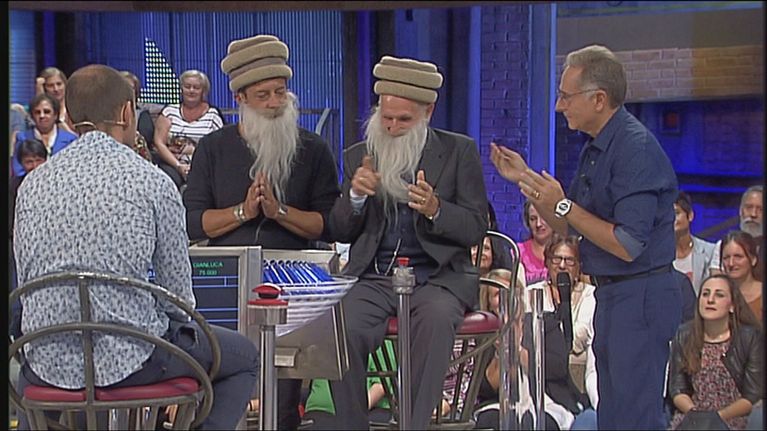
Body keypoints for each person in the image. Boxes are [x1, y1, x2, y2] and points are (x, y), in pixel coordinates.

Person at [13, 64, 259, 430]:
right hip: (132, 361)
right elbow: (179, 299)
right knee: (244, 357)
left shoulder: (31, 186)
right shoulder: (153, 182)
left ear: (68, 118)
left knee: (36, 378)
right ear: (128, 112)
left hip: (45, 362)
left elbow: (27, 282)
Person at [490, 44, 681, 429]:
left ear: (599, 99)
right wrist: (525, 178)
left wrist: (563, 205)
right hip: (611, 295)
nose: (559, 106)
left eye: (566, 96)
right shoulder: (596, 147)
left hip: (640, 295)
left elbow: (627, 244)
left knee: (635, 418)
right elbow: (570, 224)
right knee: (612, 416)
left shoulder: (636, 149)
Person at [184, 34, 341, 430]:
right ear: (239, 98)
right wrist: (244, 212)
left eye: (280, 92)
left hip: (292, 281)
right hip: (226, 280)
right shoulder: (213, 149)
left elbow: (328, 223)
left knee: (283, 397)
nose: (274, 103)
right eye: (263, 95)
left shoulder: (313, 149)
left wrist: (279, 212)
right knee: (223, 393)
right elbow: (193, 221)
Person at [326, 55, 488, 430]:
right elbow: (339, 231)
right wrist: (355, 197)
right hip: (375, 277)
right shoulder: (359, 156)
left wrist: (436, 209)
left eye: (404, 120)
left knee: (436, 320)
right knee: (340, 324)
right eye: (387, 118)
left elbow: (476, 227)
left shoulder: (459, 152)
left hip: (437, 278)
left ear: (428, 112)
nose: (393, 128)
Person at [667, 274, 764, 430]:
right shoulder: (684, 335)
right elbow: (678, 388)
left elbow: (752, 395)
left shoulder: (749, 337)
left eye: (719, 295)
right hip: (692, 416)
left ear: (732, 305)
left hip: (733, 417)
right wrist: (697, 416)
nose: (710, 300)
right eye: (705, 294)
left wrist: (716, 417)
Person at [527, 234, 597, 394]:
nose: (562, 265)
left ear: (579, 266)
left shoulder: (591, 295)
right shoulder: (531, 293)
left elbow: (580, 337)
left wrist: (551, 341)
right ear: (547, 262)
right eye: (556, 259)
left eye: (570, 260)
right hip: (540, 365)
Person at [154, 69, 224, 188]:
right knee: (169, 181)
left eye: (196, 88)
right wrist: (178, 166)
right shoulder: (169, 112)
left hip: (203, 166)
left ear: (203, 91)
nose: (191, 90)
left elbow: (219, 147)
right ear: (181, 89)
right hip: (172, 165)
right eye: (187, 87)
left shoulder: (213, 115)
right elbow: (159, 143)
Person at [12, 93, 77, 177]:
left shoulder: (71, 139)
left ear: (55, 115)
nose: (42, 116)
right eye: (37, 112)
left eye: (47, 112)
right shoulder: (22, 138)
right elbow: (18, 170)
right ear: (32, 116)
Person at [710, 185, 763, 278]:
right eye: (749, 207)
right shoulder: (724, 245)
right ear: (740, 211)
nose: (753, 214)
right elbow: (717, 281)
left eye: (761, 209)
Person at [673, 191, 718, 295]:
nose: (672, 219)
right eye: (667, 215)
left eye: (676, 213)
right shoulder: (659, 255)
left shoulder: (710, 251)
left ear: (690, 215)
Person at [720, 231, 763, 323]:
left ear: (753, 260)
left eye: (738, 257)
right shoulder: (717, 295)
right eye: (726, 258)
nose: (731, 263)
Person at [119, 70, 154, 161]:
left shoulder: (142, 114)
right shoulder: (105, 113)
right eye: (122, 87)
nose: (126, 91)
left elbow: (147, 137)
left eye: (130, 88)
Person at [519, 200, 554, 285]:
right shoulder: (518, 252)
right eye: (533, 219)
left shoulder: (566, 251)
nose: (538, 224)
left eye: (543, 217)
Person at [35, 67, 76, 134]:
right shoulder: (38, 113)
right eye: (50, 85)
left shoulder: (74, 109)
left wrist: (66, 130)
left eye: (59, 84)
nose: (56, 89)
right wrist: (40, 96)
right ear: (44, 88)